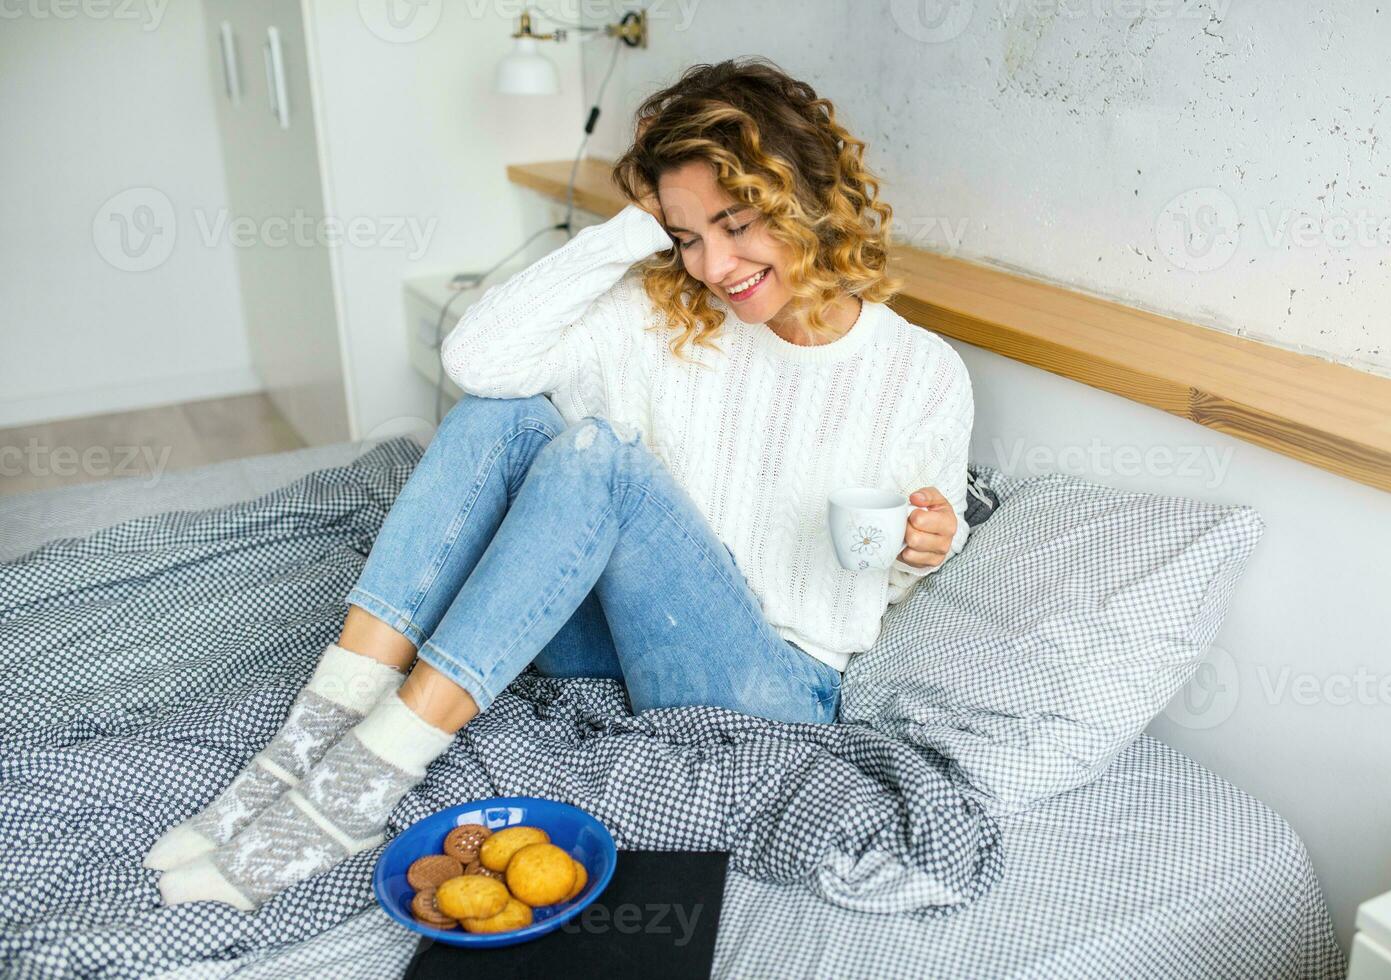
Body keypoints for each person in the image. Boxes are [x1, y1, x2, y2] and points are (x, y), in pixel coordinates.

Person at [150, 56, 974, 911]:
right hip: (610, 648)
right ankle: (313, 734)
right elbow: (478, 361)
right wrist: (629, 233)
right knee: (502, 417)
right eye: (687, 236)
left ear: (803, 197)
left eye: (736, 224)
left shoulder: (919, 373)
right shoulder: (665, 309)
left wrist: (928, 545)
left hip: (766, 679)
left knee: (599, 461)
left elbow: (901, 570)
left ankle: (365, 778)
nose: (714, 266)